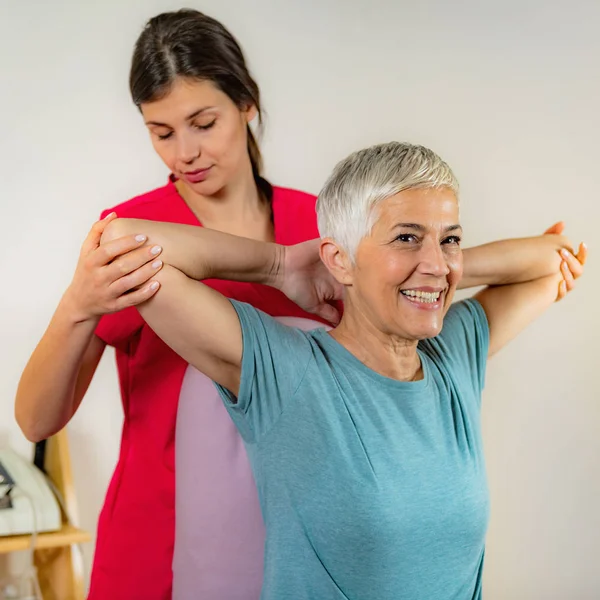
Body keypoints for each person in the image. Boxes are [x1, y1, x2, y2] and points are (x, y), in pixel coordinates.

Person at [100, 141, 586, 600]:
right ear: (338, 259)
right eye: (406, 237)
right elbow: (123, 243)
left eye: (450, 238)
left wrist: (438, 268)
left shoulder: (452, 356)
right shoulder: (287, 374)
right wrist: (282, 264)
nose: (436, 262)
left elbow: (553, 258)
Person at [14, 9, 341, 600]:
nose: (185, 152)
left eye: (203, 122)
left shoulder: (319, 225)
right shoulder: (132, 234)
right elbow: (37, 420)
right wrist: (77, 306)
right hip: (154, 548)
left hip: (296, 539)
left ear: (247, 104)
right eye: (162, 132)